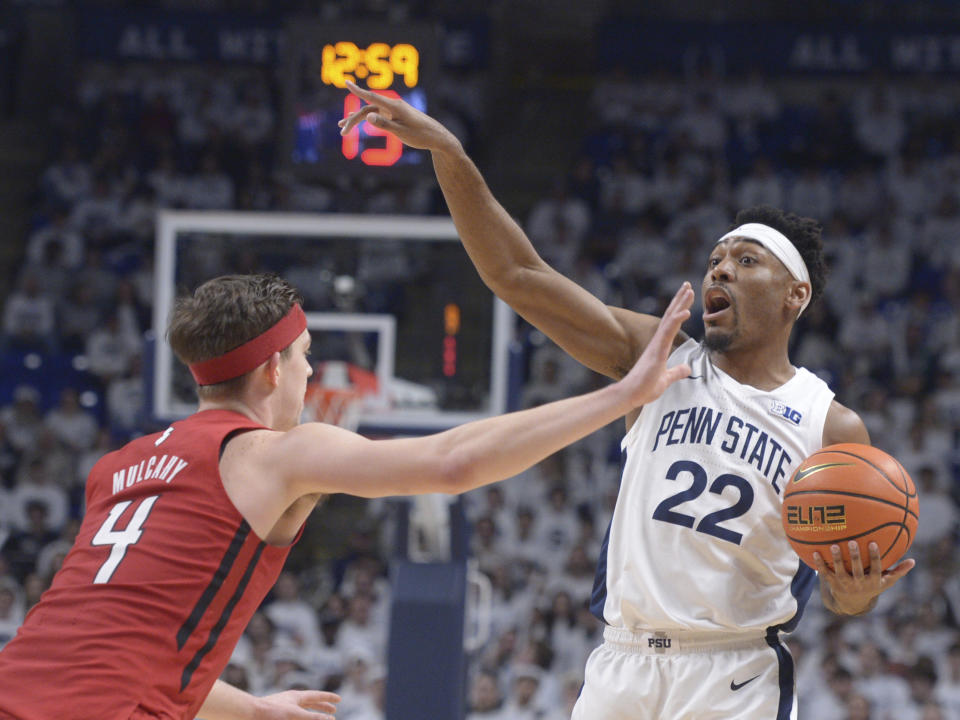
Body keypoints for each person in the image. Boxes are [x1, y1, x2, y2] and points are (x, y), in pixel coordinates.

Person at [339, 82, 915, 719]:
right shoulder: (659, 356)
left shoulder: (832, 423)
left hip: (735, 673)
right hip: (622, 664)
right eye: (716, 258)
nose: (718, 270)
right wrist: (448, 151)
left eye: (745, 261)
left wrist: (855, 589)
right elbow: (518, 275)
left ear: (795, 295)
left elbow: (844, 594)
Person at [0, 272, 694, 719]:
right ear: (273, 369)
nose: (311, 375)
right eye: (306, 358)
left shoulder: (117, 466)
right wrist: (621, 395)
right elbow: (452, 463)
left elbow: (115, 643)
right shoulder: (277, 454)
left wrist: (256, 711)